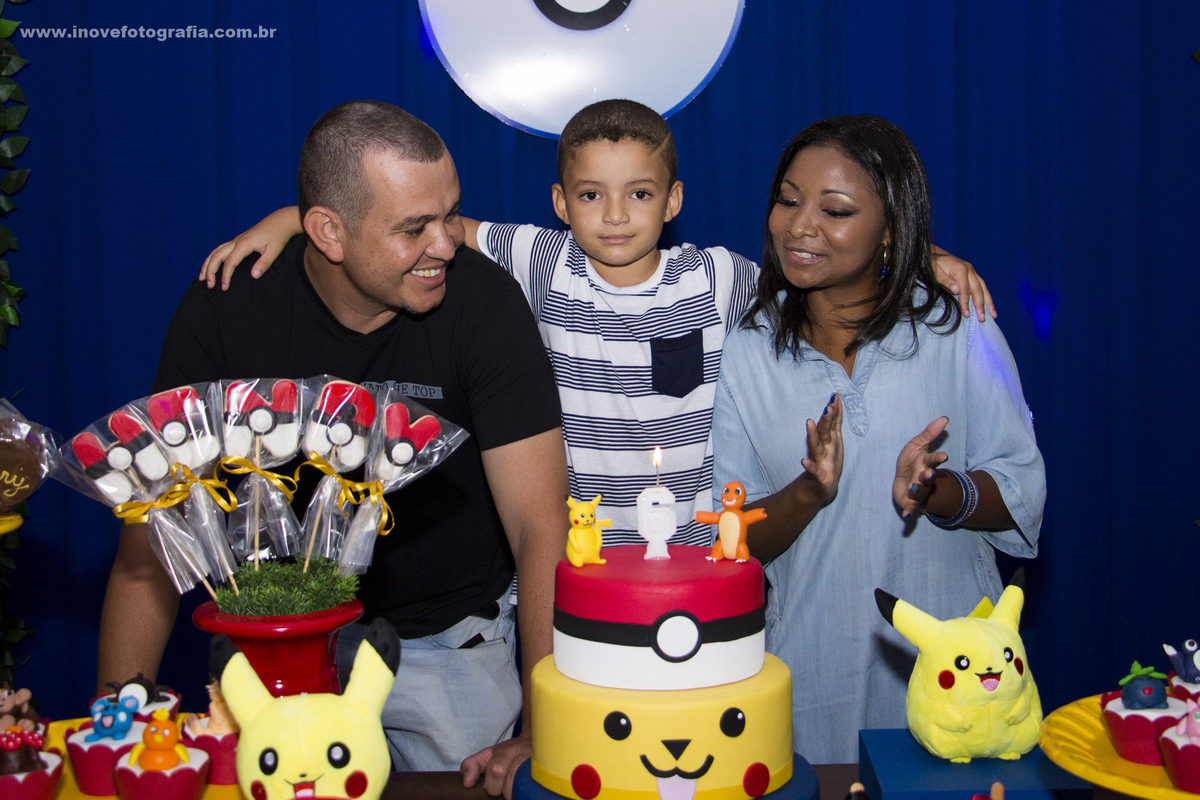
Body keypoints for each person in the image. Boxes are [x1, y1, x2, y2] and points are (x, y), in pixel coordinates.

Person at [201, 100, 994, 553]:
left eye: (639, 194)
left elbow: (820, 265)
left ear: (673, 201)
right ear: (560, 204)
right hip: (583, 563)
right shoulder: (542, 262)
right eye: (591, 196)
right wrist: (292, 222)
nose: (615, 216)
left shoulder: (716, 278)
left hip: (700, 559)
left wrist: (924, 257)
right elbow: (423, 225)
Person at [97, 100, 569, 798]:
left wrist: (545, 726)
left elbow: (540, 523)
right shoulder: (229, 308)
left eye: (451, 215)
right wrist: (117, 722)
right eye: (414, 228)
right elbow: (155, 536)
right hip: (274, 646)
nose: (446, 244)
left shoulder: (483, 301)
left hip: (450, 646)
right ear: (327, 232)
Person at [709, 115, 1045, 764]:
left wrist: (936, 490)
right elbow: (733, 540)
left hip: (961, 694)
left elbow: (1022, 491)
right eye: (788, 200)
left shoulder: (956, 328)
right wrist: (808, 492)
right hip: (811, 684)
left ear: (890, 228)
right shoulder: (750, 349)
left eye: (835, 210)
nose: (799, 226)